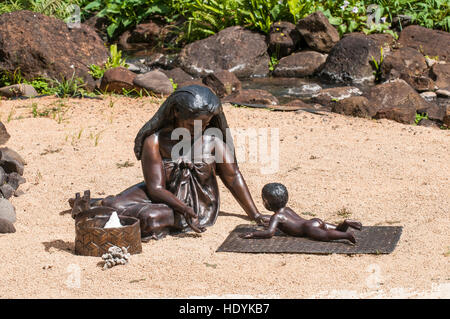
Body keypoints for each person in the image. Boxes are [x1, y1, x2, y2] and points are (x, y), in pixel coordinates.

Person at [71, 85, 269, 240]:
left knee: (151, 218)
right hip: (161, 192)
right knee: (117, 202)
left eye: (206, 123)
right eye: (192, 124)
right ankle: (99, 205)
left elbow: (233, 178)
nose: (199, 128)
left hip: (195, 206)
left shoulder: (213, 141)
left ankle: (103, 210)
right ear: (175, 112)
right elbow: (155, 188)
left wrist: (255, 214)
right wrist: (182, 208)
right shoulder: (155, 141)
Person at [241, 183, 362, 243]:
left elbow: (269, 233)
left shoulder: (277, 216)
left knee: (326, 236)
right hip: (313, 222)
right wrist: (268, 221)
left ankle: (347, 236)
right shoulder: (286, 210)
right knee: (335, 229)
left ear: (267, 202)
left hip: (308, 229)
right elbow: (288, 221)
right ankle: (345, 223)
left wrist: (253, 234)